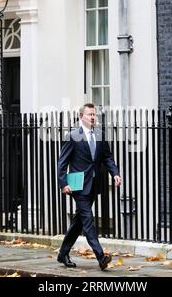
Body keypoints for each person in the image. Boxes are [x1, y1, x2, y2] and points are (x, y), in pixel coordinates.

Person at [57, 103, 122, 270]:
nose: (92, 117)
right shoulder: (73, 136)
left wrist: (114, 173)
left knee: (78, 222)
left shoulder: (99, 134)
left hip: (94, 185)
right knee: (88, 220)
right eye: (89, 114)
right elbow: (62, 162)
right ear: (81, 117)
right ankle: (101, 257)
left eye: (94, 114)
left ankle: (63, 253)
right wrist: (63, 184)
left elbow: (107, 157)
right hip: (78, 186)